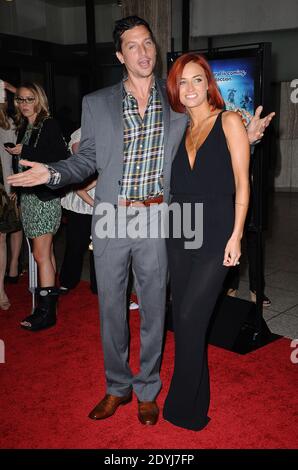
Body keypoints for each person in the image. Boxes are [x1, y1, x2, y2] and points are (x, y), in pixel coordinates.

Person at [7, 16, 274, 425]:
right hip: (114, 216)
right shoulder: (97, 103)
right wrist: (53, 171)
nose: (143, 52)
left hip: (161, 218)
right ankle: (117, 387)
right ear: (120, 55)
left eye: (147, 43)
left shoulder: (177, 103)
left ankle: (148, 387)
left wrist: (248, 138)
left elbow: (211, 137)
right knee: (111, 308)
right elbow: (86, 159)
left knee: (154, 309)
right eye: (132, 46)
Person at [163, 53, 250, 431]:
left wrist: (238, 234)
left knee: (188, 317)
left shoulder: (229, 121)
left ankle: (183, 408)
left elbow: (243, 183)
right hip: (179, 232)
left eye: (198, 80)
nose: (191, 88)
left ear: (209, 84)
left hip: (217, 235)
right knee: (185, 322)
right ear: (175, 90)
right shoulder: (178, 130)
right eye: (183, 82)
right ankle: (197, 400)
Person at [6, 82, 68, 330]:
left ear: (39, 100)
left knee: (40, 255)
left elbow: (61, 159)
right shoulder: (25, 126)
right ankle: (48, 307)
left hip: (44, 198)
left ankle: (45, 313)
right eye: (20, 100)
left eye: (29, 99)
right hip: (30, 196)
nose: (24, 104)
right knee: (46, 253)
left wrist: (26, 150)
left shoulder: (49, 124)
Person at [59, 128, 97, 294]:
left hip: (104, 199)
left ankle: (99, 285)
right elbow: (81, 163)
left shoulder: (112, 130)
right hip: (80, 204)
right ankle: (68, 281)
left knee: (101, 249)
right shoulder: (81, 133)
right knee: (76, 244)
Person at [0, 98, 22, 310]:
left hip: (4, 189)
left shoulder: (8, 124)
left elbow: (14, 158)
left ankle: (0, 289)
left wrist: (14, 185)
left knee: (3, 236)